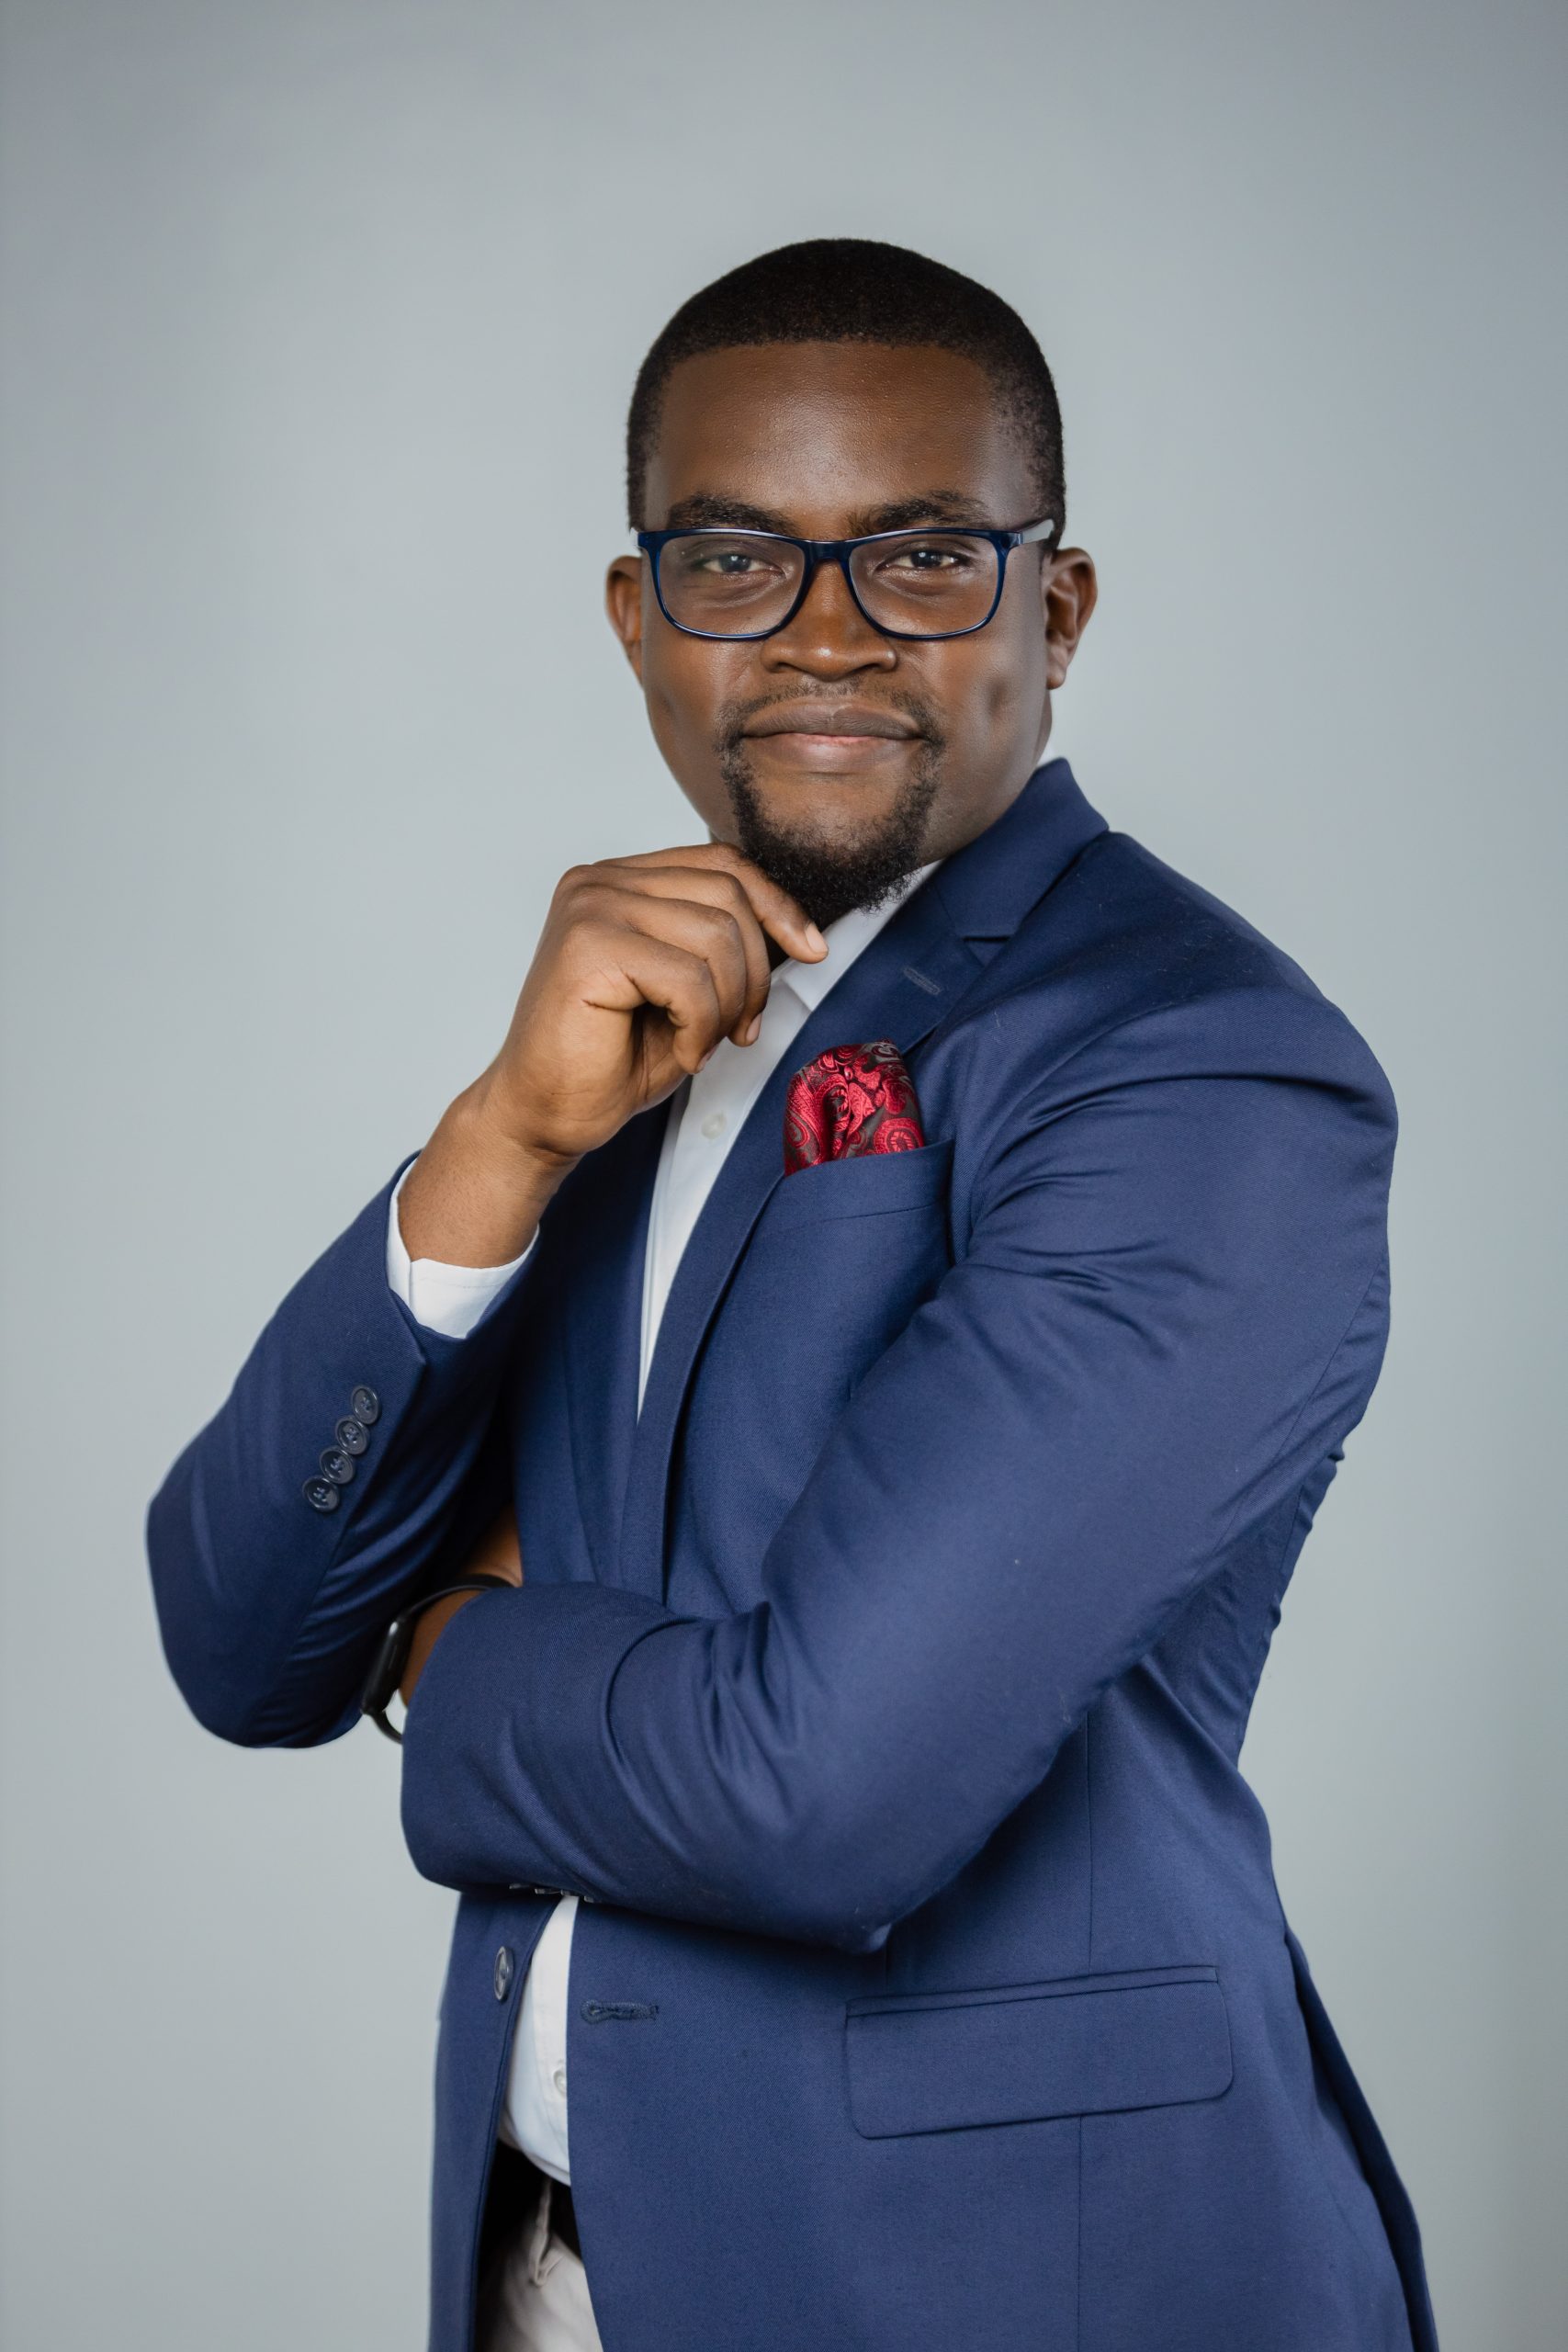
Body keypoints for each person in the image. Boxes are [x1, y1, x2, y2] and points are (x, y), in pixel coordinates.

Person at [147, 238, 1438, 2352]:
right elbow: (234, 1634)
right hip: (557, 2262)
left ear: (1053, 609)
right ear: (637, 613)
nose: (824, 633)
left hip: (1006, 2282)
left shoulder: (1192, 1060)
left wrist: (444, 1646)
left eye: (920, 556)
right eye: (737, 559)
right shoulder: (629, 1028)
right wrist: (495, 1139)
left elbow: (817, 1788)